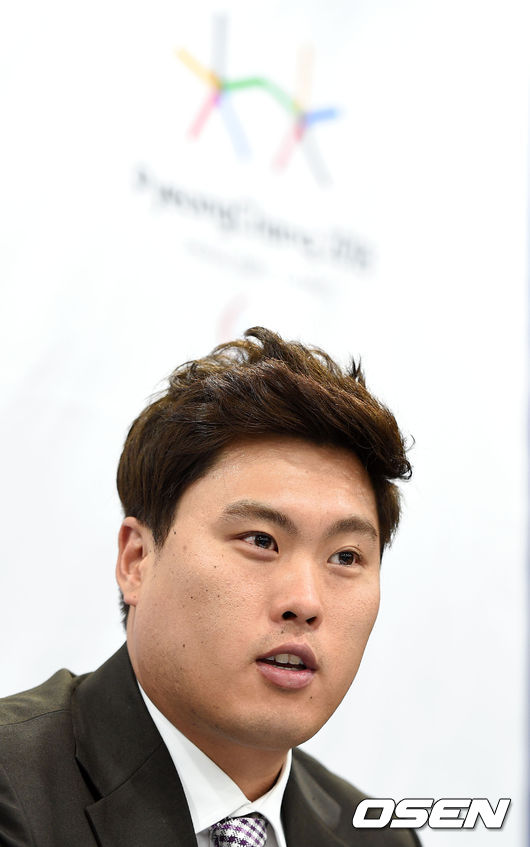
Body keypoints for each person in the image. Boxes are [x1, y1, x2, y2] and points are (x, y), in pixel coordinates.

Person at [0, 327, 420, 846]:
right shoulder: (14, 790)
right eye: (261, 541)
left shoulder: (379, 837)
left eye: (345, 557)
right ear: (136, 560)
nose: (305, 602)